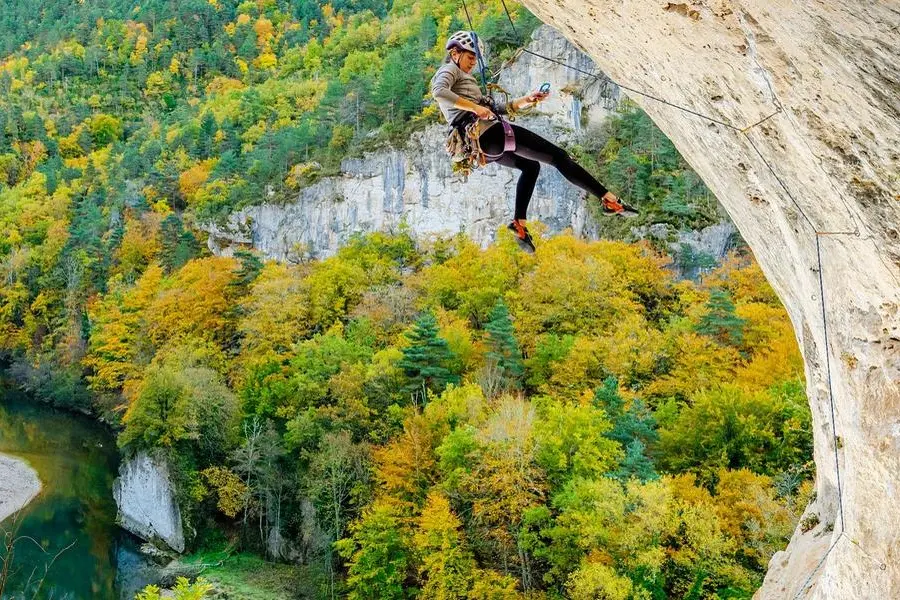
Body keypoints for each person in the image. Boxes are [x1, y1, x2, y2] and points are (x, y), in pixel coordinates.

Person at [431, 30, 637, 253]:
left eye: (474, 59)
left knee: (530, 167)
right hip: (487, 134)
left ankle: (519, 224)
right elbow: (439, 92)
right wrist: (476, 108)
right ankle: (609, 199)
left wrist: (527, 100)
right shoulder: (449, 70)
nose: (473, 63)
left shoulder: (466, 81)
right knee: (558, 156)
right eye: (470, 57)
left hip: (485, 146)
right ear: (454, 53)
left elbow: (499, 109)